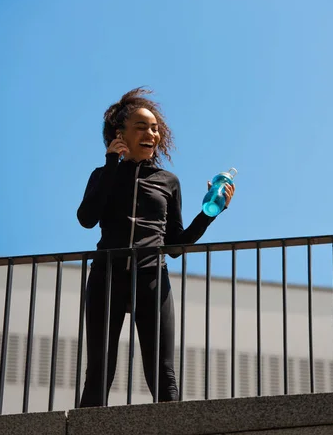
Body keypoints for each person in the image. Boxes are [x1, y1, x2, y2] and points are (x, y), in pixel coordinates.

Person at [77, 88, 235, 406]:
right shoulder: (103, 174)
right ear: (120, 134)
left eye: (154, 128)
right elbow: (87, 218)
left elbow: (175, 246)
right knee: (99, 372)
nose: (152, 133)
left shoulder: (168, 182)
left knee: (163, 374)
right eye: (141, 127)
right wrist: (111, 162)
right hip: (107, 277)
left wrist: (210, 215)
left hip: (151, 278)